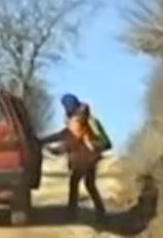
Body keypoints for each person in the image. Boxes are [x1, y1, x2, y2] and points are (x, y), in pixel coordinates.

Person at [43, 93, 112, 223]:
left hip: (85, 158)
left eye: (65, 105)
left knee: (75, 183)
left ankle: (72, 214)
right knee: (88, 184)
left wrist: (46, 143)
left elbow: (66, 137)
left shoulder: (81, 121)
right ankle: (100, 214)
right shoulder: (80, 120)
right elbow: (66, 136)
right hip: (89, 158)